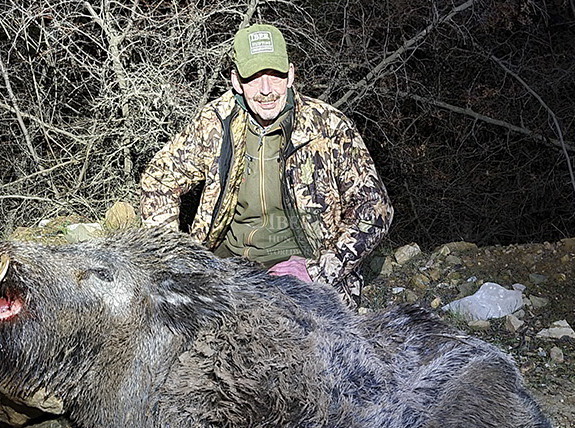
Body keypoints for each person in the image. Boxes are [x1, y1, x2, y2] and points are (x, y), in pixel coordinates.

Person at [138, 23, 392, 306]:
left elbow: (375, 209)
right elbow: (158, 180)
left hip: (300, 276)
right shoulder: (215, 122)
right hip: (228, 272)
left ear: (291, 75)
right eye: (255, 77)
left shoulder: (329, 127)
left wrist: (318, 269)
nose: (267, 90)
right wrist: (173, 261)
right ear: (236, 81)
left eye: (275, 75)